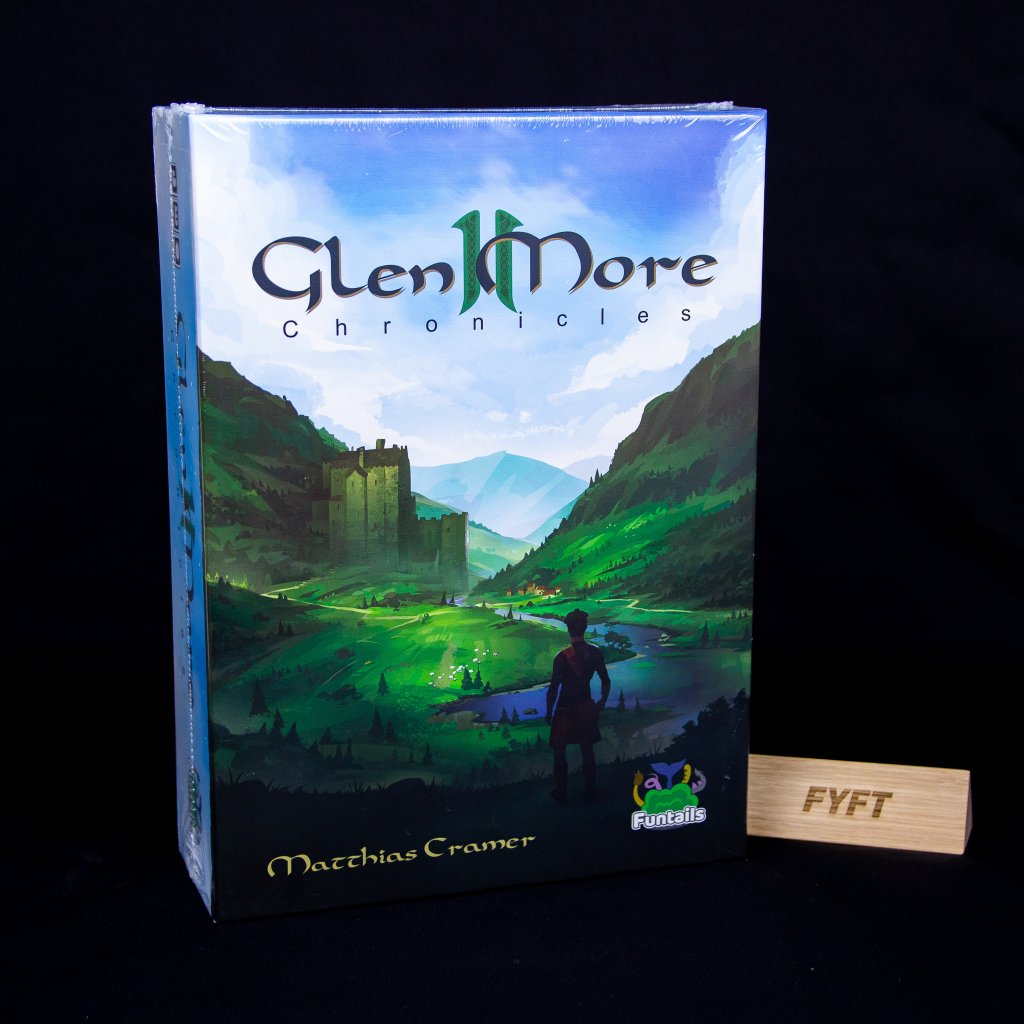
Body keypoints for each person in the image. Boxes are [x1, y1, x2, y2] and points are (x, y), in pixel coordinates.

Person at [545, 609, 611, 803]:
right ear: (585, 627)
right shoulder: (595, 652)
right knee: (587, 748)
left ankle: (561, 792)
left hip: (564, 708)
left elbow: (553, 689)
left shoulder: (561, 657)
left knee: (559, 750)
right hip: (585, 705)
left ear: (568, 629)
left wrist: (549, 712)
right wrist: (602, 701)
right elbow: (606, 681)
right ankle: (590, 790)